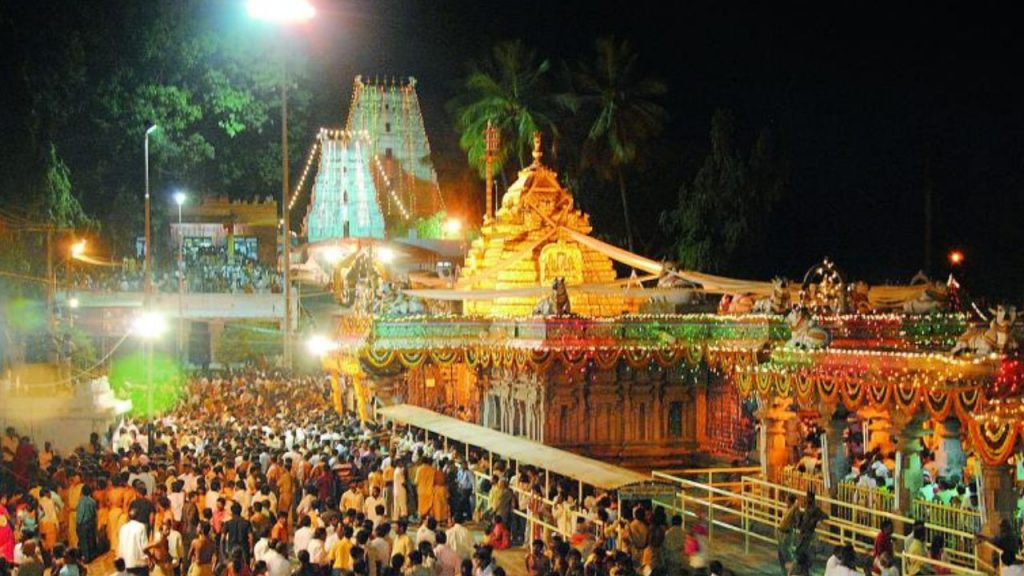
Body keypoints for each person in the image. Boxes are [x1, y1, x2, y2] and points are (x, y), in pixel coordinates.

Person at [794, 491, 828, 573]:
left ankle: (803, 570)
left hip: (808, 534)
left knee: (804, 554)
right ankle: (802, 570)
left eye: (808, 498)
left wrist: (816, 520)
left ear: (812, 499)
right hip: (803, 534)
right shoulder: (807, 508)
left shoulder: (814, 509)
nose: (807, 499)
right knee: (800, 553)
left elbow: (825, 516)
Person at [120, 508, 150, 576]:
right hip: (139, 563)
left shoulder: (123, 528)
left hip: (127, 562)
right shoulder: (141, 527)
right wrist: (149, 558)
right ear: (138, 516)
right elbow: (144, 546)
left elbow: (121, 546)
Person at [777, 494, 800, 574]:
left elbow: (797, 522)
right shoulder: (787, 509)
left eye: (787, 500)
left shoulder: (794, 509)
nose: (785, 501)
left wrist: (795, 506)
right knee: (780, 552)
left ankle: (792, 570)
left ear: (791, 501)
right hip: (781, 532)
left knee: (786, 553)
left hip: (787, 534)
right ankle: (784, 571)